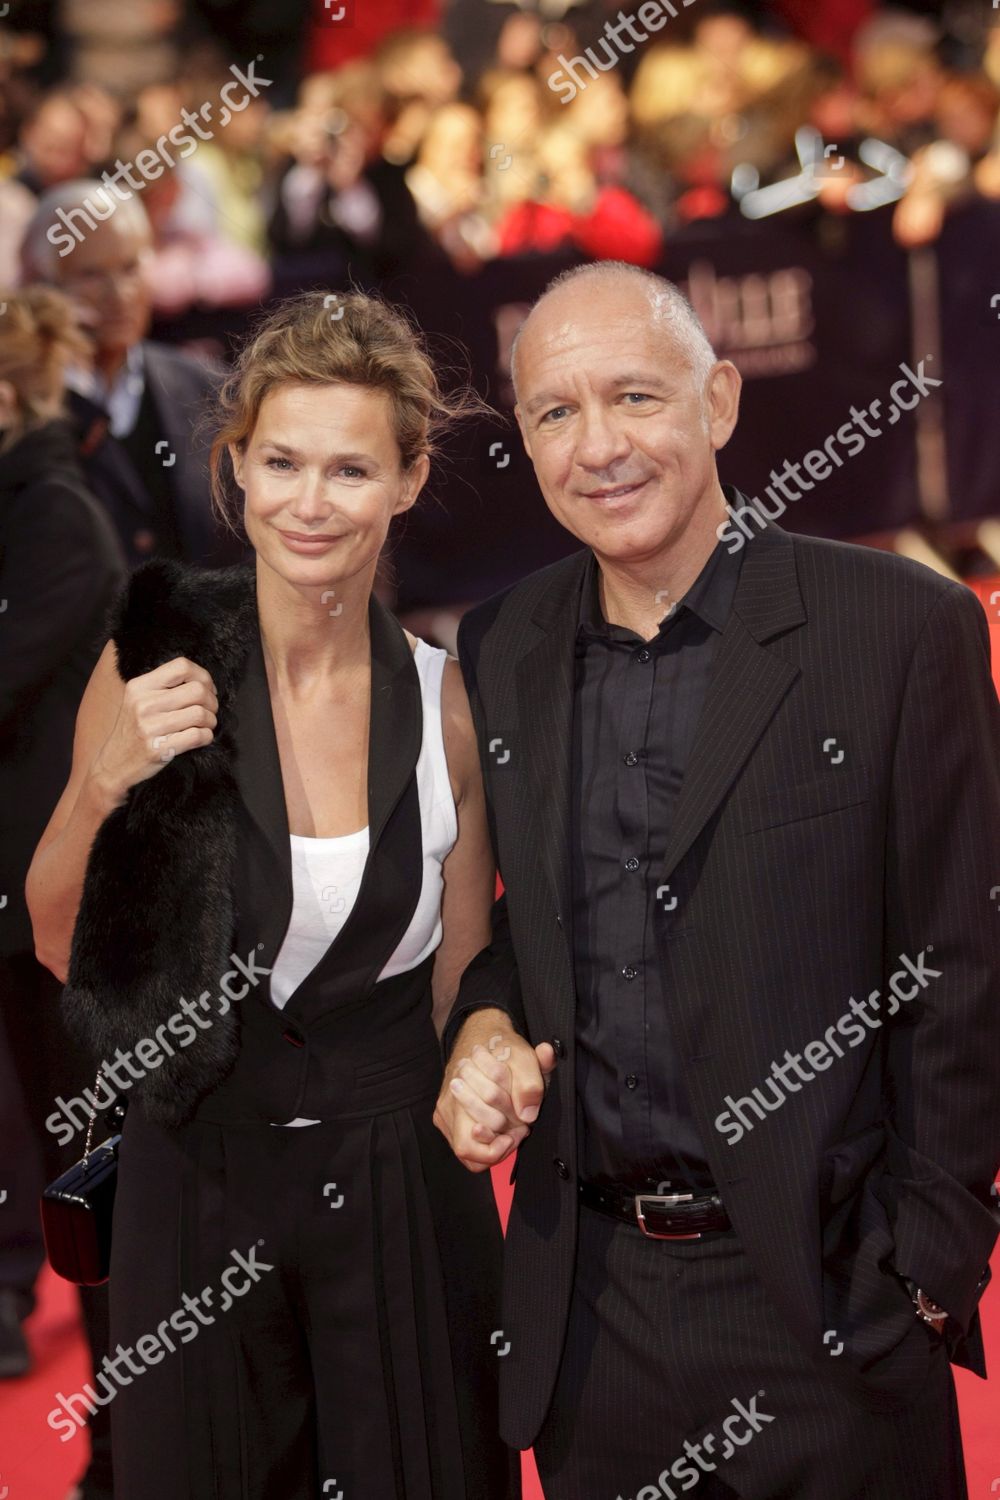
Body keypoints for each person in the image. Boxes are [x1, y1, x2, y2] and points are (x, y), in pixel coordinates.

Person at [434, 260, 1000, 1500]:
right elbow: (536, 929)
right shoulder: (504, 642)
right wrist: (483, 1018)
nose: (598, 447)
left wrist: (924, 1264)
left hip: (828, 1301)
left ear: (721, 400)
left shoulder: (899, 629)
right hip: (593, 1318)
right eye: (555, 413)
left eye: (635, 397)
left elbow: (965, 962)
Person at [27, 289, 519, 1500]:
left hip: (404, 1196)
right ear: (236, 466)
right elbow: (55, 942)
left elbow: (464, 972)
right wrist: (102, 783)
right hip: (194, 1188)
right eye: (283, 462)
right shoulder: (150, 661)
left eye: (350, 469)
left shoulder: (447, 702)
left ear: (407, 479)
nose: (310, 502)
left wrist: (489, 1047)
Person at [0, 285, 126, 1500]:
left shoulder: (55, 519)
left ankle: (126, 1454)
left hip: (66, 922)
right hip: (25, 917)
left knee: (95, 1187)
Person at [18, 182, 249, 569]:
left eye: (130, 267)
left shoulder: (209, 389)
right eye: (91, 275)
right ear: (41, 287)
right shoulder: (19, 409)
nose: (119, 293)